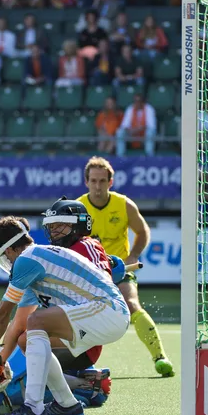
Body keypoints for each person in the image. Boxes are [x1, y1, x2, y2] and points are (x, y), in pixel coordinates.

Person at [0, 198, 121, 415]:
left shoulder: (29, 260)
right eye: (52, 226)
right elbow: (16, 323)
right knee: (27, 337)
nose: (54, 231)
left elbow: (2, 314)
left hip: (104, 313)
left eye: (60, 226)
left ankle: (32, 408)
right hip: (93, 318)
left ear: (9, 250)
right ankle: (68, 402)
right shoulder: (39, 262)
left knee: (34, 326)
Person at [77, 156, 175, 377]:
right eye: (93, 181)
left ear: (110, 182)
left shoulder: (123, 204)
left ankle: (160, 357)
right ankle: (75, 365)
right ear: (86, 182)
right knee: (75, 313)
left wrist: (134, 255)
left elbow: (142, 231)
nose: (98, 186)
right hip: (89, 273)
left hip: (119, 270)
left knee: (131, 304)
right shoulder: (78, 207)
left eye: (102, 181)